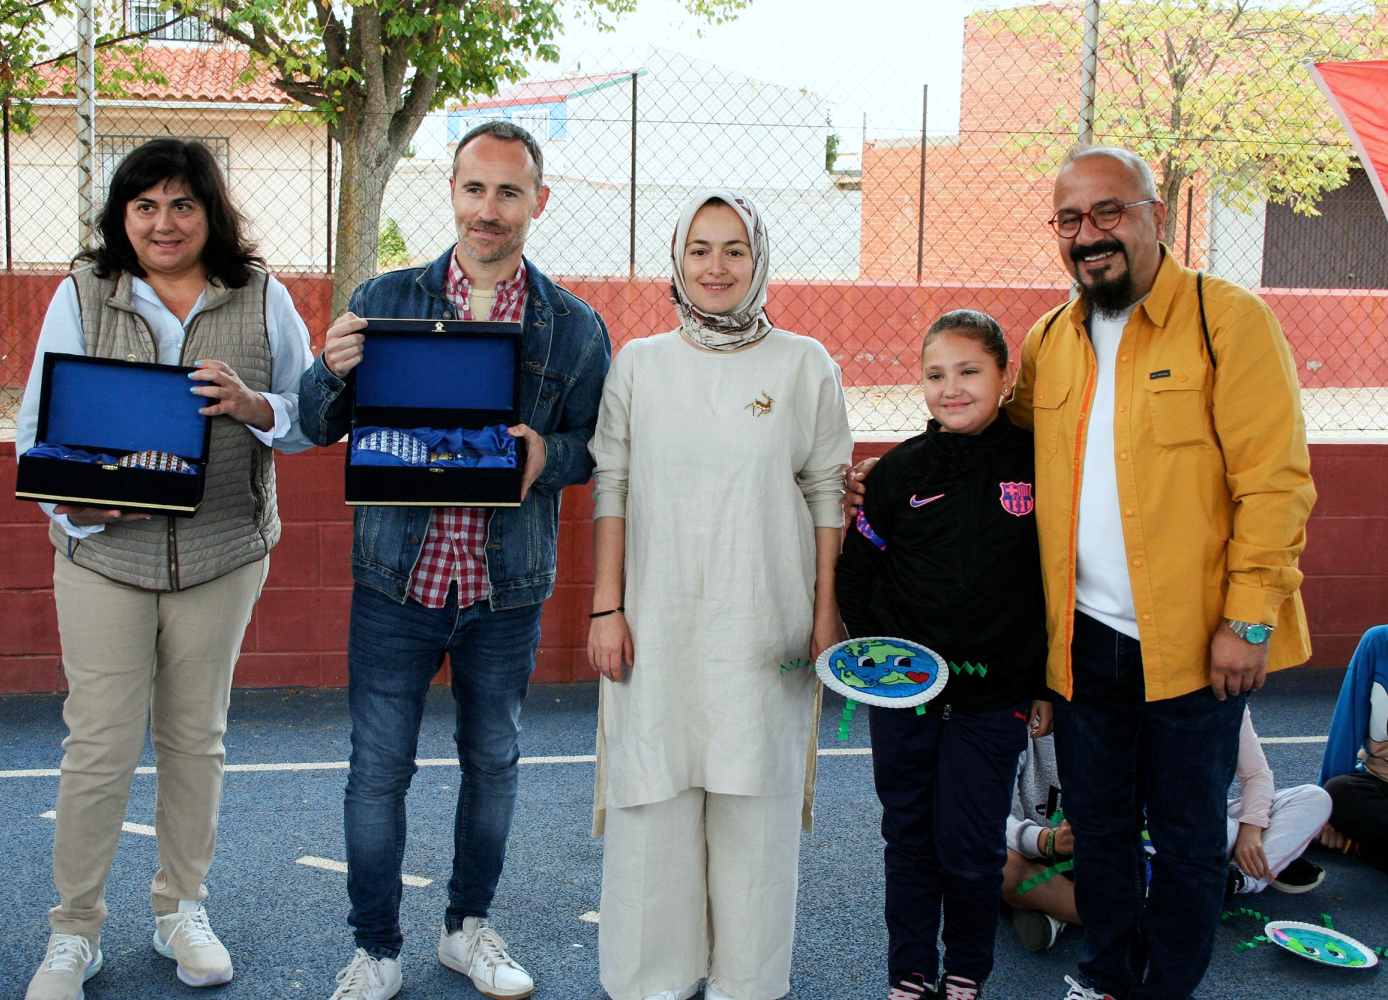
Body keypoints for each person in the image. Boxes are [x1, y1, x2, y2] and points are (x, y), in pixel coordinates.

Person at [848, 144, 1316, 1000]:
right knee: (1099, 830)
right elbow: (988, 442)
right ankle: (1105, 978)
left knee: (1186, 839)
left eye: (1109, 211)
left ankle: (1163, 987)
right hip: (1084, 644)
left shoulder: (1228, 321)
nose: (1089, 233)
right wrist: (889, 476)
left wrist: (1248, 618)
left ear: (1155, 216)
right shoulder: (1050, 341)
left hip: (1197, 646)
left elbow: (1276, 483)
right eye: (1070, 219)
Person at [298, 121, 611, 1000]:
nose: (490, 209)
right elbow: (319, 423)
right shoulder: (384, 299)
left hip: (505, 587)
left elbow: (596, 445)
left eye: (509, 192)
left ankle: (467, 930)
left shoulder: (574, 327)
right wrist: (330, 368)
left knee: (495, 764)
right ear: (453, 192)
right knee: (377, 771)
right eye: (476, 189)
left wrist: (549, 455)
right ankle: (375, 948)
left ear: (537, 202)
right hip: (397, 581)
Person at [16, 138, 314, 1000]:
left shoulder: (263, 297)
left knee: (195, 739)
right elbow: (36, 429)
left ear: (211, 212)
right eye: (144, 205)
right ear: (123, 216)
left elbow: (306, 420)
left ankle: (181, 908)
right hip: (105, 556)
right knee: (99, 746)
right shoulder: (83, 292)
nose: (163, 223)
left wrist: (254, 405)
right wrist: (74, 505)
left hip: (222, 553)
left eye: (183, 204)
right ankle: (75, 930)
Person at [586, 191, 852, 1000]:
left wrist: (826, 611)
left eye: (735, 249)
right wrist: (606, 607)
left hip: (766, 625)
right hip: (655, 625)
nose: (716, 266)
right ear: (677, 259)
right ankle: (652, 985)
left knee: (757, 810)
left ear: (759, 258)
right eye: (699, 248)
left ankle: (748, 985)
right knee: (651, 806)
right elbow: (611, 485)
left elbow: (826, 489)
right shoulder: (640, 363)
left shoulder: (804, 363)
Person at [836, 310, 1052, 1000]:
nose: (951, 388)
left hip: (993, 700)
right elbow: (856, 573)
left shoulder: (1040, 463)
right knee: (908, 836)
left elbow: (1058, 585)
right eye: (935, 374)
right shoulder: (897, 471)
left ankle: (965, 971)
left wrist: (1043, 682)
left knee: (972, 842)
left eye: (969, 371)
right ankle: (909, 972)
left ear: (1005, 376)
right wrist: (883, 668)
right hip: (907, 702)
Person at [1222, 705, 1331, 897]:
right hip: (1176, 823)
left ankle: (1237, 877)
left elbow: (1256, 774)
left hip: (1216, 815)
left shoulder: (1232, 704)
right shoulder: (1165, 702)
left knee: (1314, 798)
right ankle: (1271, 858)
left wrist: (1251, 828)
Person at [1317, 625, 1388, 873]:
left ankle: (1360, 848)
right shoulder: (1378, 643)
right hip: (1380, 783)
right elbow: (1347, 725)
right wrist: (1324, 811)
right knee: (1340, 791)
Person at [1002, 733, 1080, 954]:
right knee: (998, 865)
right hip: (1029, 852)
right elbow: (994, 818)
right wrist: (1045, 840)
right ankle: (1121, 920)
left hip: (1089, 855)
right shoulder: (1015, 729)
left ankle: (1048, 908)